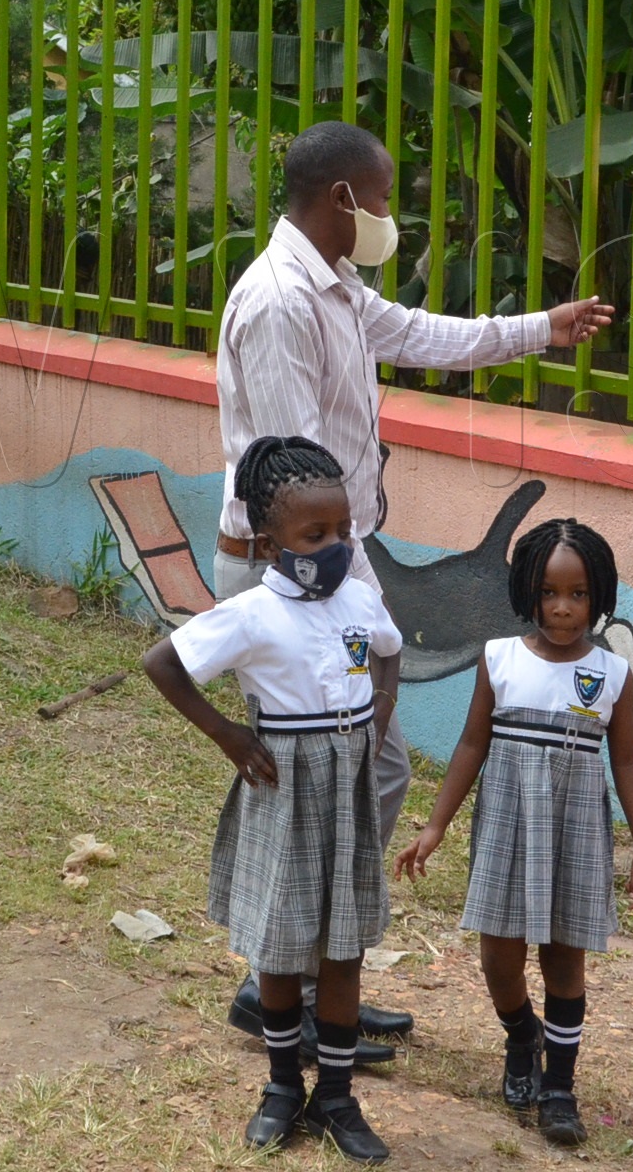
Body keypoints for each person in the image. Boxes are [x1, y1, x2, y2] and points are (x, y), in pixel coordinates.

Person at [214, 119, 614, 1059]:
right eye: (384, 198)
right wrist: (339, 598)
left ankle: (307, 976)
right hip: (297, 580)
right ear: (342, 200)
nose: (393, 216)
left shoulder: (338, 287)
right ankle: (284, 985)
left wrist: (539, 331)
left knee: (367, 770)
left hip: (337, 575)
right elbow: (289, 480)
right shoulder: (277, 304)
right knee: (330, 777)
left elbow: (424, 335)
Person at [144, 436, 401, 1162]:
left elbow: (389, 649)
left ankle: (339, 1098)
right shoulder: (251, 614)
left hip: (346, 788)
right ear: (268, 544)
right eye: (315, 536)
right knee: (285, 951)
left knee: (344, 949)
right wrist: (228, 734)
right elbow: (162, 662)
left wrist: (379, 711)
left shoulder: (358, 594)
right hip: (285, 788)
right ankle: (284, 1086)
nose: (335, 546)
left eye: (343, 531)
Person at [394, 519, 633, 1147]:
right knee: (500, 959)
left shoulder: (610, 674)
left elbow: (624, 760)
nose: (563, 608)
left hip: (575, 836)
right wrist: (436, 825)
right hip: (508, 828)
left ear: (599, 598)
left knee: (564, 960)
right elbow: (470, 743)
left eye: (578, 595)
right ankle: (521, 1035)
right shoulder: (500, 658)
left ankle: (560, 1089)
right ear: (525, 592)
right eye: (548, 592)